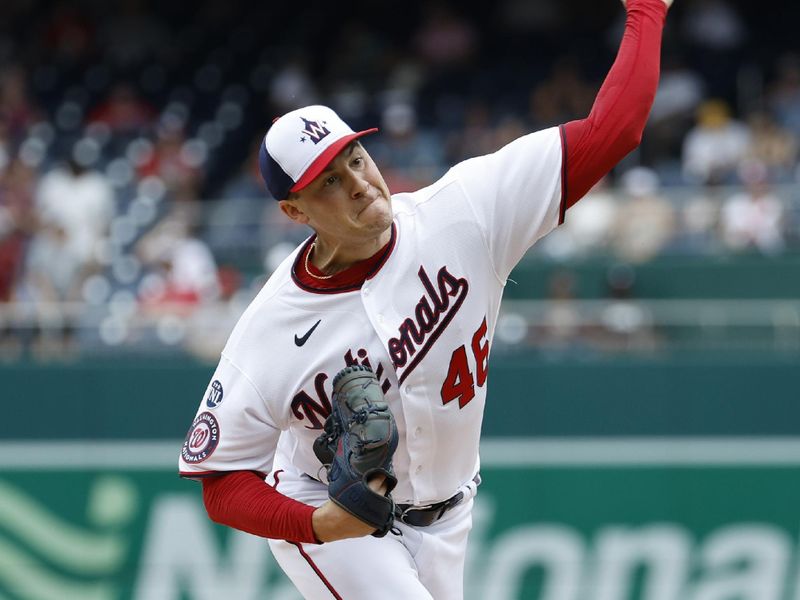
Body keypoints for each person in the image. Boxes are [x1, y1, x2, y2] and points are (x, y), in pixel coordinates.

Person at [178, 1, 673, 598]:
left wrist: (648, 9)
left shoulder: (465, 211)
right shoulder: (270, 331)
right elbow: (220, 480)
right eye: (329, 181)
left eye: (355, 159)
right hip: (335, 513)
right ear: (294, 211)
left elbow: (613, 130)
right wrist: (312, 524)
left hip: (451, 510)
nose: (359, 183)